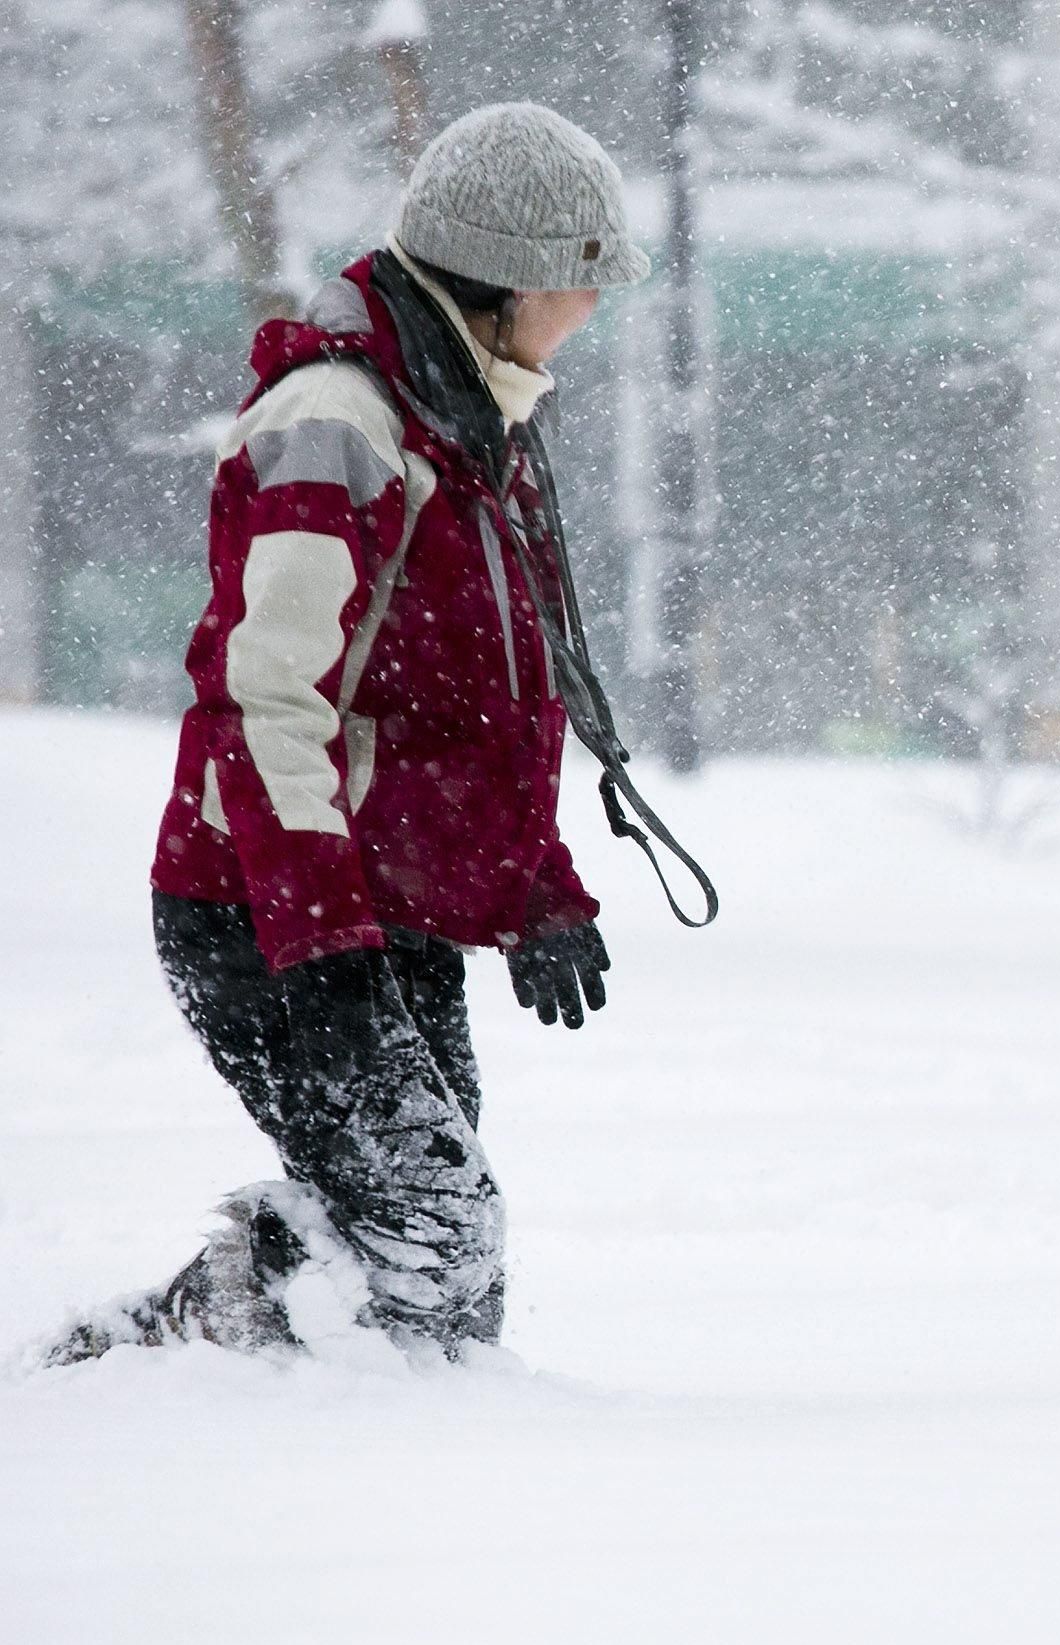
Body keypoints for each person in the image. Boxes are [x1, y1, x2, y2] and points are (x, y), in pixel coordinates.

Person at [52, 104, 655, 1365]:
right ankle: (158, 1365)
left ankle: (240, 1378)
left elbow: (482, 713)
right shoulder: (338, 421)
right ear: (503, 283)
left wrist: (538, 889)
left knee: (431, 1265)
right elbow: (269, 702)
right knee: (433, 1232)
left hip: (388, 905)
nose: (592, 309)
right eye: (577, 280)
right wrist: (317, 943)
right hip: (267, 906)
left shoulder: (471, 424)